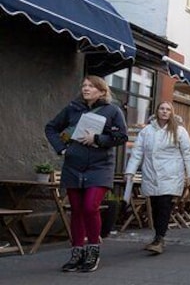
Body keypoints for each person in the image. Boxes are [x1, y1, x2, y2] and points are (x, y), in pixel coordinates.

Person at [45, 75, 128, 273]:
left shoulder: (112, 111)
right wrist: (62, 149)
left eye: (91, 86)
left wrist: (98, 138)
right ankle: (77, 252)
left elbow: (121, 136)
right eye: (84, 85)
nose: (86, 88)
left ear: (101, 90)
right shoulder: (73, 108)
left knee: (90, 207)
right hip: (73, 165)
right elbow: (51, 128)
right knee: (77, 210)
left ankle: (92, 250)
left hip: (100, 167)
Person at [124, 101, 190, 254]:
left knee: (164, 204)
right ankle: (158, 237)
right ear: (157, 111)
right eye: (162, 109)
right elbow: (137, 151)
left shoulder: (179, 130)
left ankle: (159, 238)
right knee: (156, 205)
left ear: (172, 112)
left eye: (168, 109)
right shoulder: (147, 131)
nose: (164, 112)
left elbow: (188, 152)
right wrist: (130, 170)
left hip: (171, 173)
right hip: (151, 173)